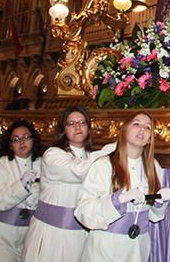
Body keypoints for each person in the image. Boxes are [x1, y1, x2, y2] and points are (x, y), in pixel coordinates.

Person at [21, 106, 116, 262]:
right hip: (51, 232)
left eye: (82, 122)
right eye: (71, 123)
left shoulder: (91, 156)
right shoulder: (53, 154)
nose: (77, 127)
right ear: (63, 129)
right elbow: (78, 171)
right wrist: (110, 150)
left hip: (80, 233)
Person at [75, 111, 170, 262]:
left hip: (137, 248)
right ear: (125, 130)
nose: (142, 129)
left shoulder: (154, 167)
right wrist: (117, 201)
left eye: (148, 127)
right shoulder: (104, 165)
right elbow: (83, 211)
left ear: (150, 139)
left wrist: (160, 203)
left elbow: (153, 216)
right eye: (136, 124)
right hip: (105, 247)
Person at [0, 120, 43, 262]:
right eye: (16, 139)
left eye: (26, 137)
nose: (21, 142)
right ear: (10, 145)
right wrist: (22, 186)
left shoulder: (43, 164)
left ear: (33, 140)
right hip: (0, 233)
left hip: (30, 234)